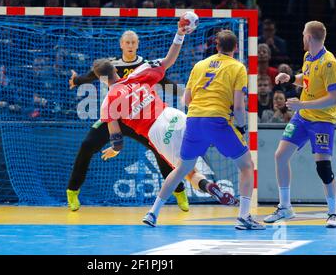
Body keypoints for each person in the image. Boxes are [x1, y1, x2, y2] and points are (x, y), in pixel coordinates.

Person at [96, 29, 237, 207]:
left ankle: (209, 187)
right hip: (172, 115)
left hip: (158, 132)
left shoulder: (108, 103)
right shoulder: (137, 75)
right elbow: (169, 60)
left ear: (101, 79)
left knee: (187, 172)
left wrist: (115, 150)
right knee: (202, 136)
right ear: (116, 70)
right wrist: (180, 34)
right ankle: (222, 137)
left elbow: (117, 139)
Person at [142, 30, 265, 230]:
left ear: (216, 46)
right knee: (246, 165)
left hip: (194, 120)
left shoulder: (199, 65)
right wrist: (241, 127)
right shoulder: (238, 67)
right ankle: (244, 217)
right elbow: (239, 106)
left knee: (182, 169)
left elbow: (186, 100)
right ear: (235, 48)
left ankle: (153, 212)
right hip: (217, 120)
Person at [66, 29, 192, 212]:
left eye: (134, 42)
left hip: (140, 118)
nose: (131, 45)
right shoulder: (111, 64)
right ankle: (72, 191)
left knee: (161, 152)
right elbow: (94, 74)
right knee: (87, 145)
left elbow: (165, 83)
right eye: (127, 42)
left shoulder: (143, 65)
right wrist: (77, 80)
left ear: (138, 44)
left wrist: (184, 94)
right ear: (121, 45)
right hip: (115, 117)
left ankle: (179, 192)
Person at [264, 21, 336, 228]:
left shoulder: (329, 63)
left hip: (322, 120)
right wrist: (290, 78)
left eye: (303, 34)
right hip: (303, 117)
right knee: (280, 156)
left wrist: (302, 104)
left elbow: (333, 98)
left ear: (308, 37)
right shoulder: (308, 57)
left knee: (323, 167)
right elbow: (305, 79)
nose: (302, 37)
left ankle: (333, 213)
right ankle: (285, 207)